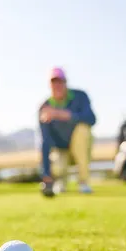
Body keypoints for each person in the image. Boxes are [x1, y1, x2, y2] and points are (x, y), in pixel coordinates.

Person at [39, 67, 96, 197]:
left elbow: (92, 119)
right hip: (61, 148)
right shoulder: (45, 108)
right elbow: (45, 141)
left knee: (83, 129)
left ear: (66, 82)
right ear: (49, 85)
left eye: (60, 81)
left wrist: (64, 115)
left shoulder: (80, 96)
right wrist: (46, 175)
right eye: (54, 82)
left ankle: (83, 182)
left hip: (80, 144)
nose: (57, 85)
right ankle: (60, 181)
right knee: (58, 166)